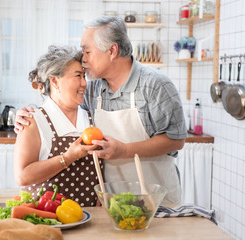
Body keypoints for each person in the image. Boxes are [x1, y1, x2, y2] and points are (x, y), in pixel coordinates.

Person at [15, 16, 187, 204]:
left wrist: (125, 150)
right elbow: (59, 99)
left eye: (87, 51)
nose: (83, 58)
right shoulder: (92, 91)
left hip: (157, 198)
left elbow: (176, 140)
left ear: (112, 51)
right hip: (113, 202)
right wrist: (27, 113)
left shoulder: (155, 85)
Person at [14, 45, 102, 207]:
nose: (84, 83)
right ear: (54, 81)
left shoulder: (92, 117)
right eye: (78, 76)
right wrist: (68, 158)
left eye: (84, 77)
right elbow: (22, 176)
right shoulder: (33, 121)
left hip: (90, 220)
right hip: (47, 220)